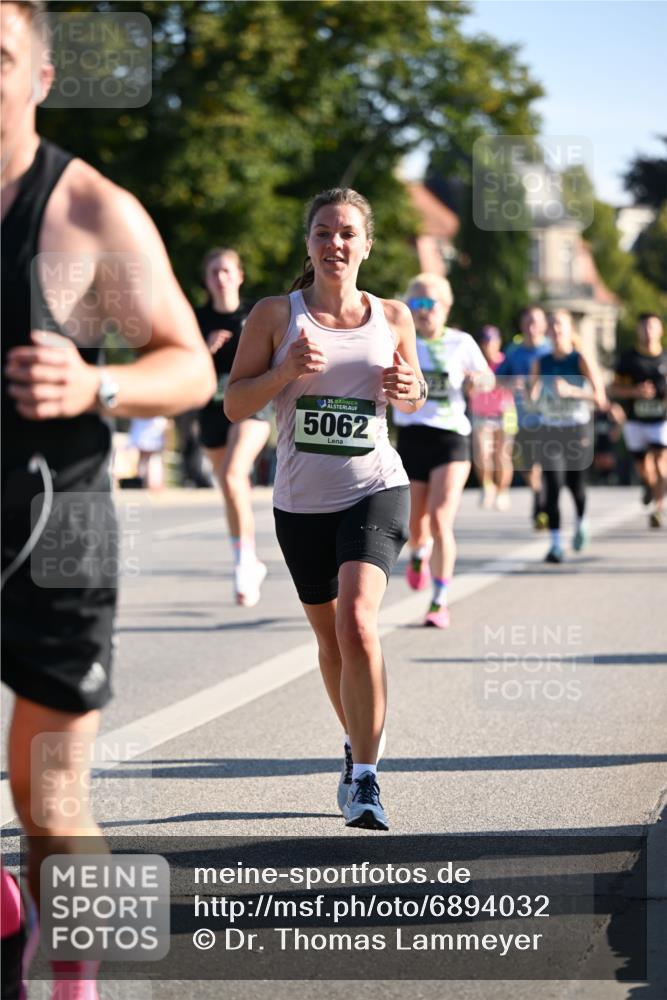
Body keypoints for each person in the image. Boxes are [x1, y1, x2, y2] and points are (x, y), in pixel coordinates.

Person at [1, 3, 216, 997]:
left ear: (40, 79)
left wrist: (98, 386)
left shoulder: (89, 213)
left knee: (50, 800)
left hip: (58, 535)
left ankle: (78, 979)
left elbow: (189, 368)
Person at [225, 188, 426, 830]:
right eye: (322, 233)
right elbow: (233, 404)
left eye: (346, 233)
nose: (334, 243)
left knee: (358, 623)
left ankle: (365, 779)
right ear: (308, 245)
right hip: (300, 502)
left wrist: (411, 388)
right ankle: (357, 742)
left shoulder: (393, 316)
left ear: (366, 245)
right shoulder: (273, 316)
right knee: (328, 640)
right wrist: (283, 372)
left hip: (375, 486)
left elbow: (414, 394)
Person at [393, 274, 493, 627]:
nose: (422, 311)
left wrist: (476, 382)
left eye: (429, 303)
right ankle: (419, 554)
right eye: (415, 304)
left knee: (439, 520)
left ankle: (439, 600)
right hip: (411, 437)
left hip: (451, 437)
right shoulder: (400, 340)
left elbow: (486, 379)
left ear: (445, 307)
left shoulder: (461, 342)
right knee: (415, 526)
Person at [196, 248, 271, 606]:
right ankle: (249, 558)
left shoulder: (257, 314)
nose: (221, 278)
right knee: (230, 487)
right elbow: (181, 370)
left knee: (231, 475)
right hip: (211, 411)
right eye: (214, 272)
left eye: (227, 271)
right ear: (207, 280)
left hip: (252, 407)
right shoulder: (196, 319)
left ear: (240, 275)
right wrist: (204, 352)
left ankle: (243, 563)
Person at [529, 310, 607, 563]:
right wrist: (530, 396)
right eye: (551, 326)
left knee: (577, 487)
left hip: (577, 428)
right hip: (551, 428)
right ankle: (555, 545)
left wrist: (573, 391)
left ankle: (581, 523)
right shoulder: (541, 361)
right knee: (551, 486)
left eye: (559, 325)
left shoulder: (580, 358)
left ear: (569, 328)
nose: (555, 329)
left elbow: (600, 398)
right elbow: (533, 397)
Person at [496, 305, 552, 529]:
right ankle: (539, 494)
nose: (532, 326)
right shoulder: (514, 351)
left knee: (546, 463)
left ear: (544, 325)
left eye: (536, 322)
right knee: (528, 466)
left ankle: (543, 502)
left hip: (550, 418)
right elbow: (498, 380)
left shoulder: (551, 350)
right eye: (528, 322)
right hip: (522, 418)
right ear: (522, 325)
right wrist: (511, 383)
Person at [610, 313, 667, 528]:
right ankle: (649, 486)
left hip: (661, 421)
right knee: (643, 466)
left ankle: (658, 509)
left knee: (662, 463)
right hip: (635, 421)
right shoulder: (628, 359)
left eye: (653, 327)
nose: (649, 332)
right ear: (638, 331)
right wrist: (635, 391)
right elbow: (613, 388)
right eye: (644, 327)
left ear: (661, 330)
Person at [469, 325, 517, 510]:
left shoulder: (505, 362)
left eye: (492, 341)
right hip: (482, 413)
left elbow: (514, 382)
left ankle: (502, 491)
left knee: (503, 456)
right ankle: (487, 486)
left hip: (506, 412)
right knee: (482, 454)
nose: (489, 345)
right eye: (485, 342)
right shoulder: (475, 363)